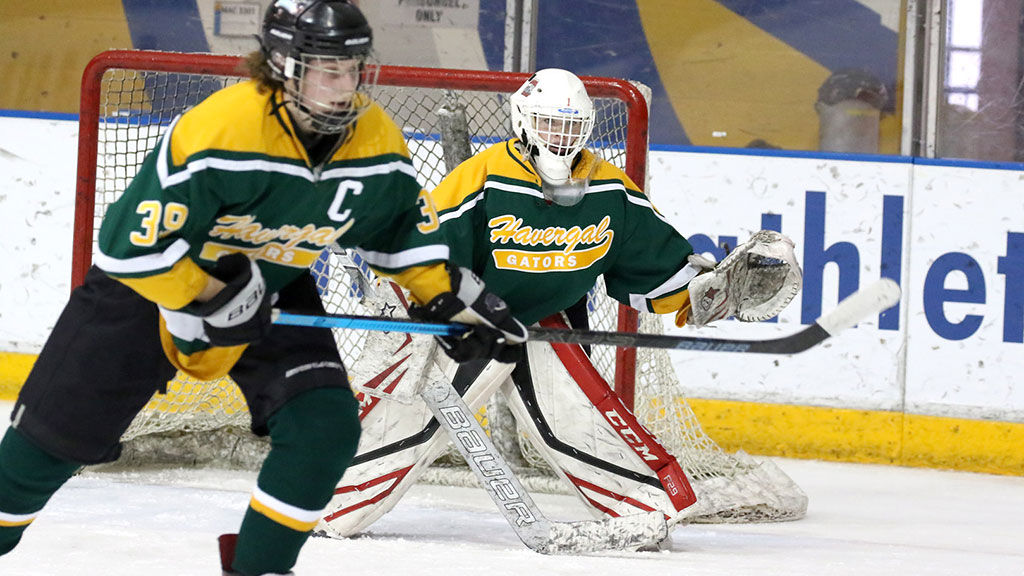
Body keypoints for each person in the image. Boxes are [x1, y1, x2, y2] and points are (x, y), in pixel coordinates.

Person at [0, 2, 524, 575]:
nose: (343, 85)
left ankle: (259, 567)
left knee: (323, 430)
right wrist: (209, 297)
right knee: (45, 450)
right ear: (281, 66)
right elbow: (129, 246)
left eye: (351, 68)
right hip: (147, 286)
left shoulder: (374, 138)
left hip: (272, 283)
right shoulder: (220, 129)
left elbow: (400, 230)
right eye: (327, 69)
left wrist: (446, 299)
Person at [318, 69, 802, 539]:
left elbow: (657, 269)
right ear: (524, 120)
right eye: (550, 122)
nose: (560, 135)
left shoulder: (609, 189)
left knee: (576, 419)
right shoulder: (483, 178)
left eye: (571, 125)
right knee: (407, 422)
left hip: (549, 320)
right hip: (470, 318)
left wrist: (710, 293)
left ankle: (650, 508)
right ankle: (321, 504)